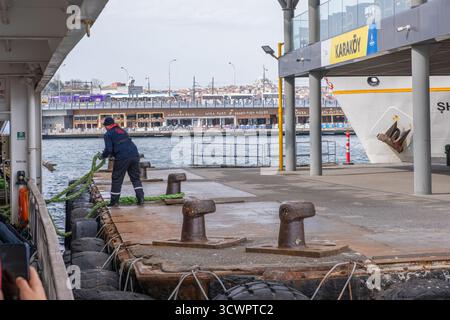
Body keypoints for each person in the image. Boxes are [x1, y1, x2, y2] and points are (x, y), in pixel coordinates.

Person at [100, 117, 144, 207]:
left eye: (105, 126)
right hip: (135, 154)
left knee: (117, 178)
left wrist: (103, 156)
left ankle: (114, 202)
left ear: (107, 126)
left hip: (122, 157)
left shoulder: (108, 134)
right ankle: (141, 198)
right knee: (135, 178)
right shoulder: (122, 130)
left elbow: (109, 149)